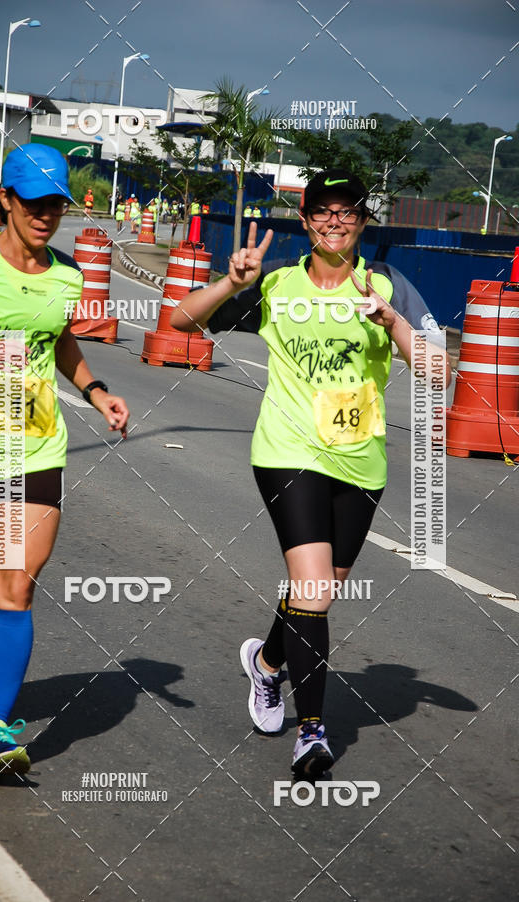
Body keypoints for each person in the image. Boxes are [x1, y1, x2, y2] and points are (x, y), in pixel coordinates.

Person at [170, 168, 450, 779]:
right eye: (322, 211)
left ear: (362, 222)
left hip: (360, 457)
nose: (334, 221)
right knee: (315, 592)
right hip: (288, 451)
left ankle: (267, 662)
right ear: (305, 221)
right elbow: (180, 324)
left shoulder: (389, 285)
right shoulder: (276, 284)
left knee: (317, 591)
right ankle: (312, 733)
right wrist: (228, 281)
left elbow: (438, 373)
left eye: (347, 212)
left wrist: (392, 323)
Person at [0, 143, 129, 779]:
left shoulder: (67, 275)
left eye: (55, 205)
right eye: (34, 203)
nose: (45, 216)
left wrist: (95, 391)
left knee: (14, 586)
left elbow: (58, 339)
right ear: (6, 200)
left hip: (32, 445)